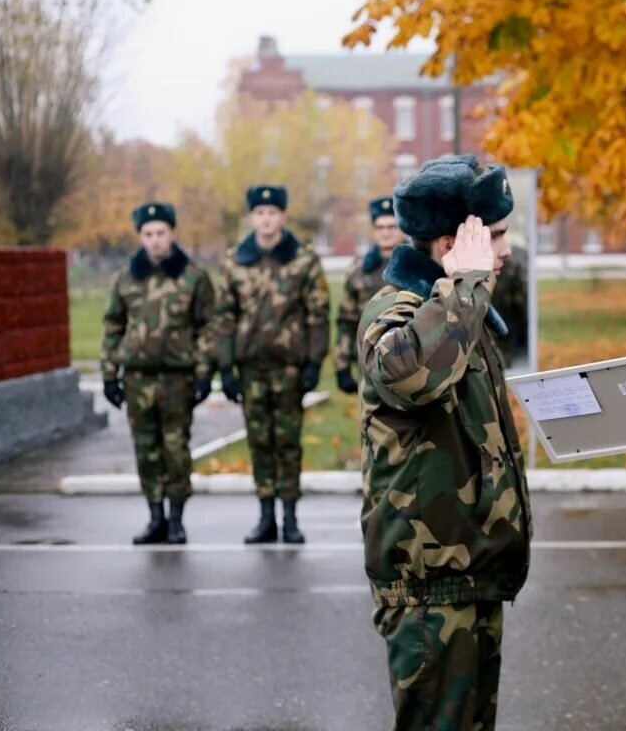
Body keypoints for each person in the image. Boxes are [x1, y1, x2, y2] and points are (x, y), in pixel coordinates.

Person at [356, 155, 530, 731]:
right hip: (429, 586)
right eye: (496, 236)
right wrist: (468, 283)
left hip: (470, 571)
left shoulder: (459, 307)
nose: (505, 250)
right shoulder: (398, 310)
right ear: (457, 242)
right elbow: (411, 374)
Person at [215, 185, 330, 544]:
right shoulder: (235, 261)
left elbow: (318, 314)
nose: (266, 219)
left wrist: (313, 362)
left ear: (283, 216)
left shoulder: (302, 260)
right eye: (260, 213)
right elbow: (224, 318)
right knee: (259, 442)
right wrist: (225, 368)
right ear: (252, 217)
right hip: (251, 369)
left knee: (288, 442)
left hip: (289, 368)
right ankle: (266, 517)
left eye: (272, 212)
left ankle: (290, 518)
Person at [100, 201, 215, 545]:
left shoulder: (193, 276)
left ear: (172, 233)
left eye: (160, 233)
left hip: (177, 379)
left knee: (176, 449)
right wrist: (108, 374)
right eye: (148, 234)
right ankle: (155, 517)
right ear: (141, 236)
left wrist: (205, 372)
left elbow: (207, 326)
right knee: (146, 449)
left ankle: (177, 519)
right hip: (137, 378)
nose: (154, 240)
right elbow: (112, 325)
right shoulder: (126, 276)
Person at [334, 196, 405, 395]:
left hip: (411, 359)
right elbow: (345, 320)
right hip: (369, 362)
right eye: (380, 227)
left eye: (391, 227)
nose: (386, 233)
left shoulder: (416, 265)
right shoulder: (359, 269)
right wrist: (342, 366)